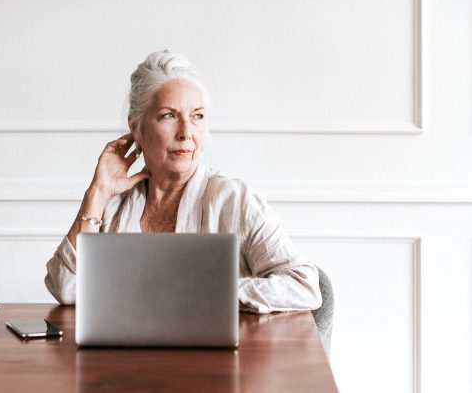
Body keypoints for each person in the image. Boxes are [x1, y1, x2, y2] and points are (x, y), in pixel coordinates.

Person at [45, 50, 322, 313]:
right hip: (127, 359)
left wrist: (203, 292)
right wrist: (98, 192)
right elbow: (66, 288)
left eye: (197, 117)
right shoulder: (114, 206)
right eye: (169, 116)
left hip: (215, 362)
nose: (186, 132)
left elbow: (304, 285)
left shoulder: (234, 200)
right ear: (136, 128)